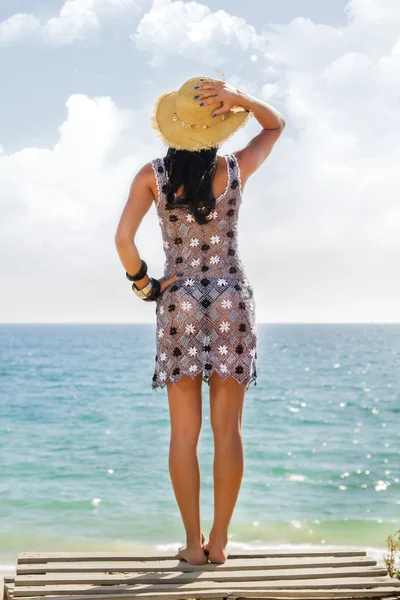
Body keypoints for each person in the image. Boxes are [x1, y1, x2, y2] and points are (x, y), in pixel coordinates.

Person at [114, 76, 285, 566]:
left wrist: (147, 285)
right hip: (231, 298)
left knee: (183, 434)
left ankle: (192, 544)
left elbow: (123, 241)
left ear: (173, 127)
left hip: (179, 302)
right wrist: (241, 101)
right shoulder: (235, 167)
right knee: (228, 432)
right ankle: (221, 544)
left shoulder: (152, 174)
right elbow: (275, 127)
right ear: (216, 124)